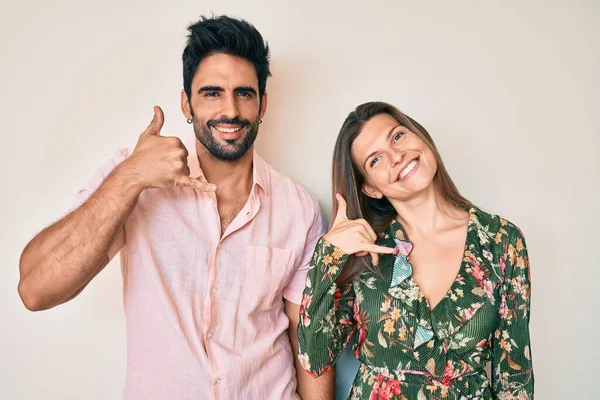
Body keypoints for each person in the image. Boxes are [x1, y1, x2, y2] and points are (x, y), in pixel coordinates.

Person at [18, 15, 333, 400]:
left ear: (262, 104)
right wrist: (130, 177)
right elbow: (35, 290)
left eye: (244, 93)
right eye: (212, 93)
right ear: (187, 102)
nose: (230, 110)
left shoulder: (299, 208)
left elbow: (308, 339)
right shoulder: (135, 178)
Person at [297, 102, 534, 399]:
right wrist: (327, 256)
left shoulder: (501, 240)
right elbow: (315, 359)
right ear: (371, 188)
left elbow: (515, 378)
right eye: (375, 160)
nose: (396, 157)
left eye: (397, 137)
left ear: (419, 136)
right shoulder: (363, 250)